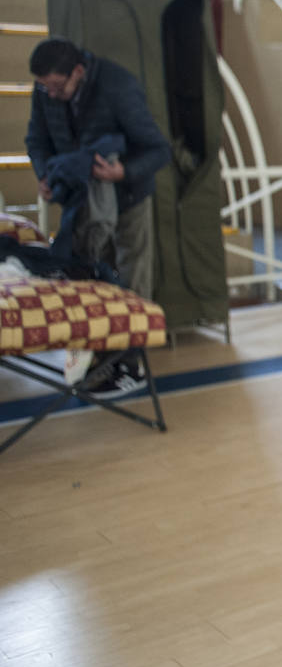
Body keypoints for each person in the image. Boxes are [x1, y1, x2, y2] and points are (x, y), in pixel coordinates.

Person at [26, 37, 171, 398]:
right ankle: (98, 359)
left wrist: (123, 172)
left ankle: (129, 365)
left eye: (56, 87)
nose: (50, 94)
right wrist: (44, 174)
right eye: (44, 87)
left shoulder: (117, 85)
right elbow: (37, 139)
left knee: (131, 280)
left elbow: (158, 149)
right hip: (83, 200)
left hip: (129, 197)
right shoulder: (45, 91)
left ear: (78, 72)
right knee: (91, 278)